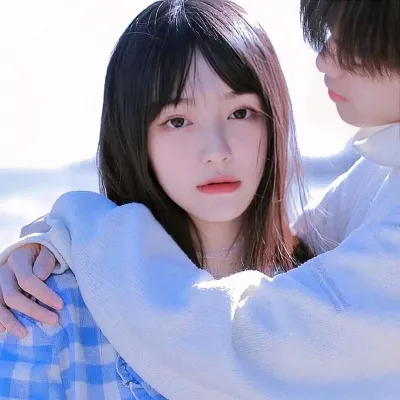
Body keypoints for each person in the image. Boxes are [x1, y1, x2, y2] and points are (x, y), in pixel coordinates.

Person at [1, 0, 400, 398]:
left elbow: (238, 341)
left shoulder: (310, 282)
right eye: (178, 121)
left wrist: (83, 226)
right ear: (132, 137)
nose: (216, 151)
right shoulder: (51, 313)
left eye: (240, 113)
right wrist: (52, 240)